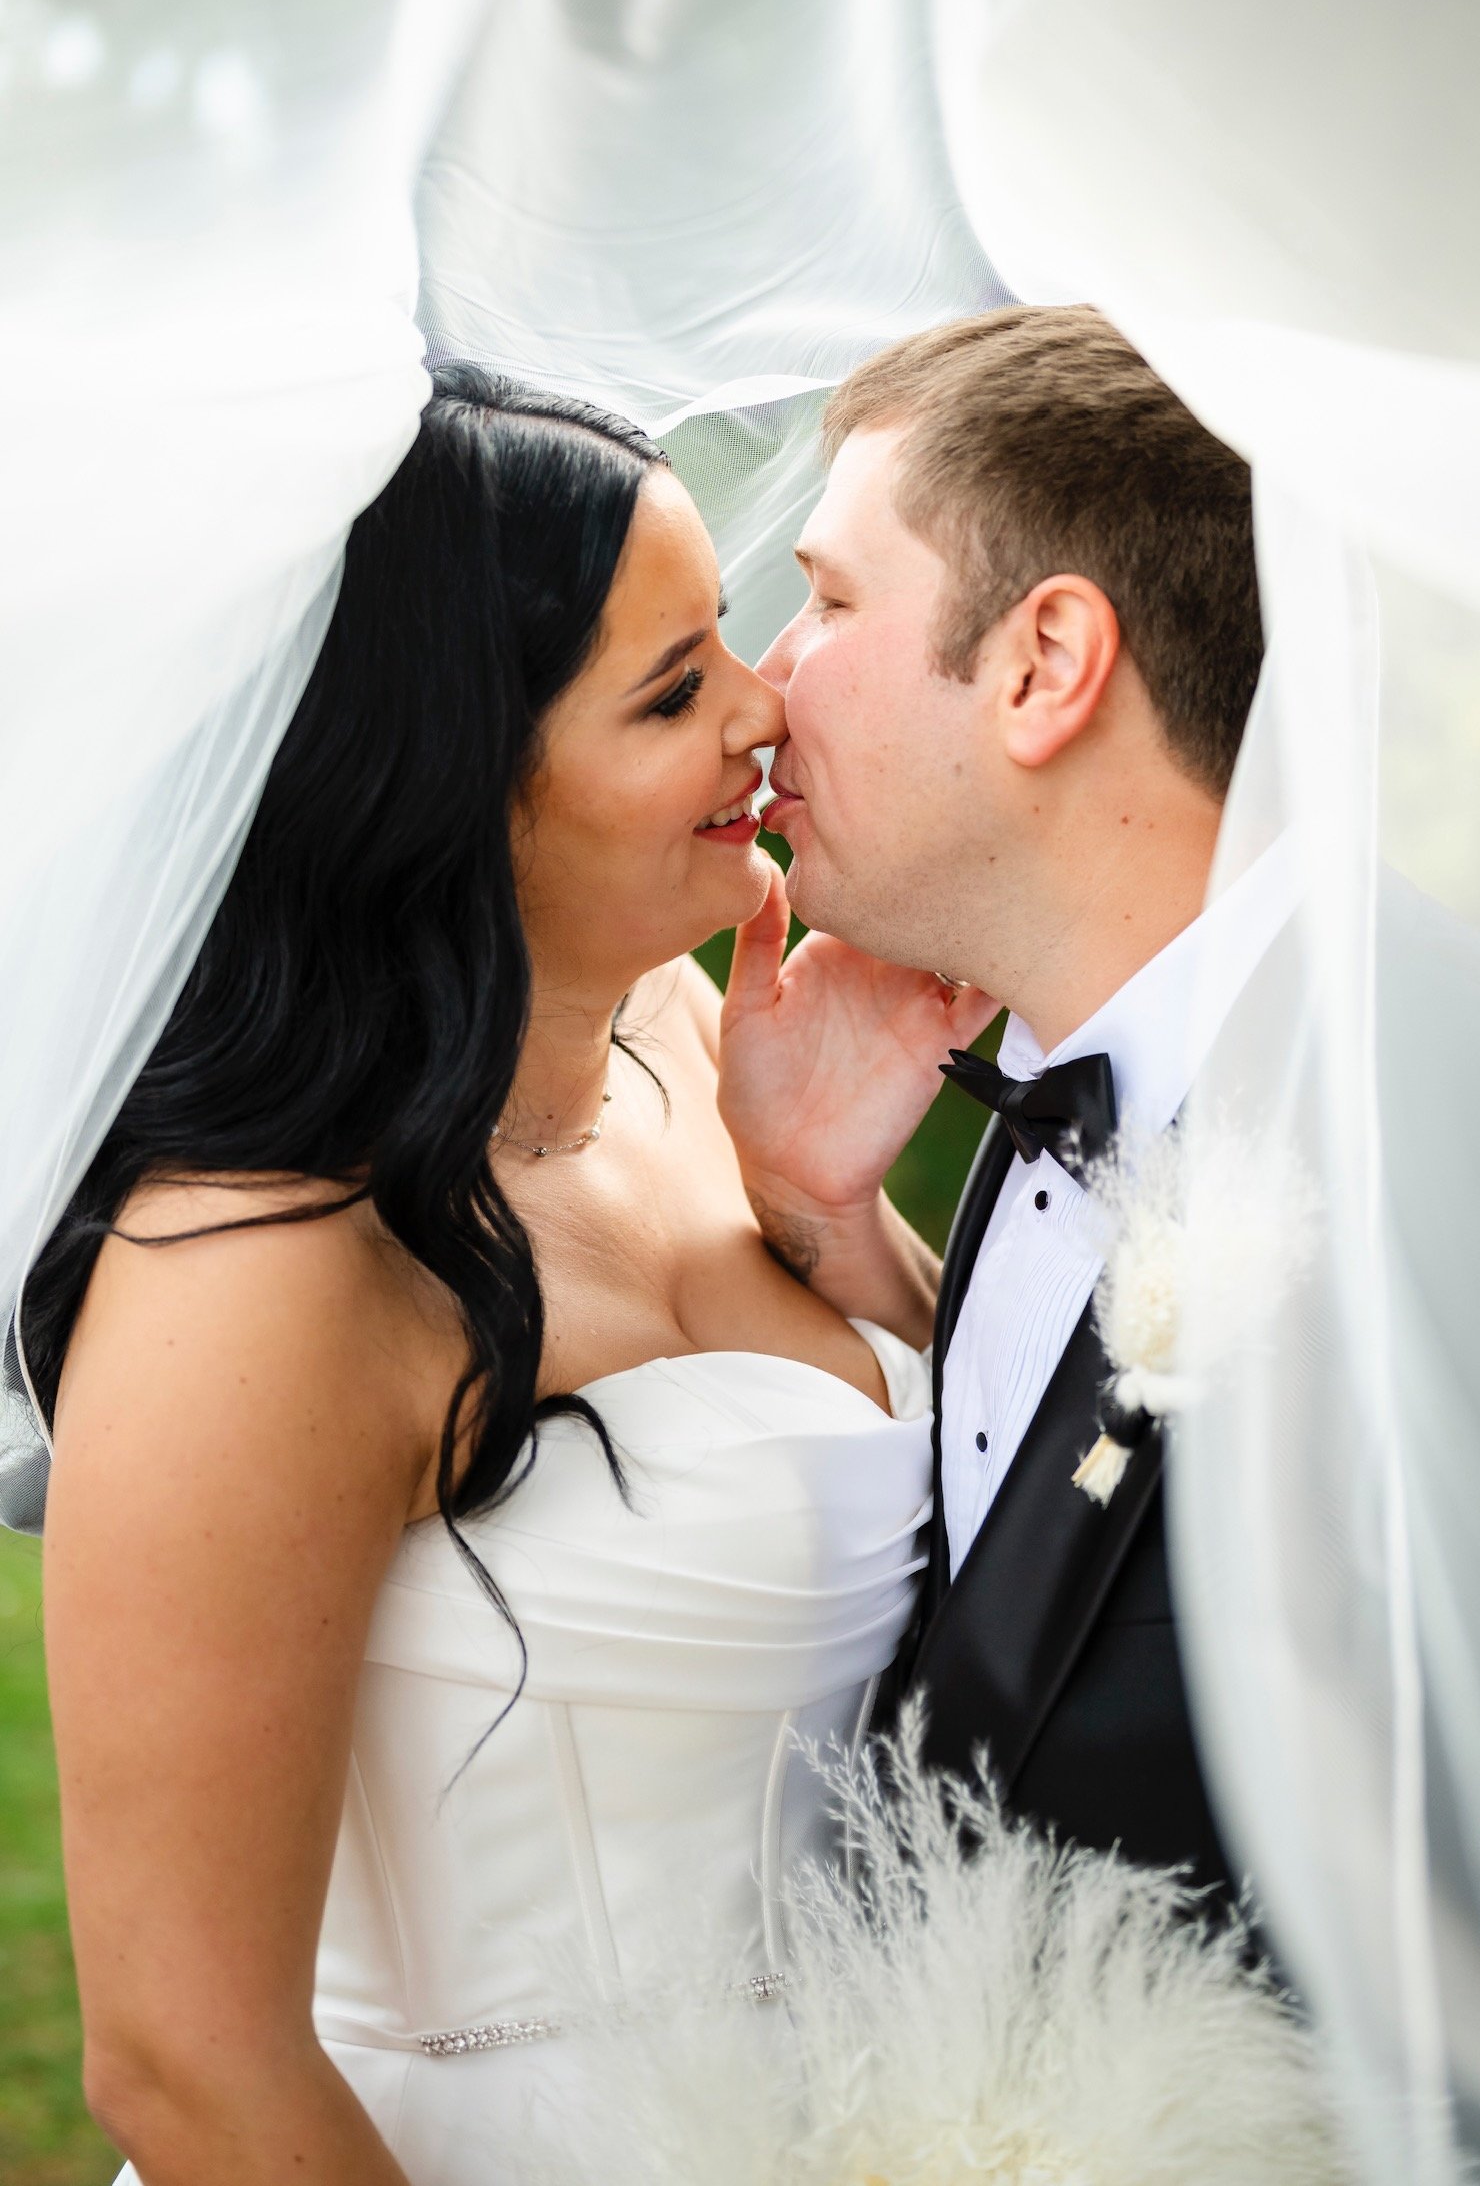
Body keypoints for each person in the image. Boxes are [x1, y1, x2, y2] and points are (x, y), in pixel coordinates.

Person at [27, 368, 993, 2186]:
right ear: (445, 787)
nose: (766, 706)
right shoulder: (258, 1277)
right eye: (673, 689)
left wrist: (826, 1211)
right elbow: (184, 2062)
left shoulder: (683, 1032)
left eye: (730, 642)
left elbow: (979, 1517)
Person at [721, 303, 1296, 1900]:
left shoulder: (1423, 1152)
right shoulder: (1056, 1056)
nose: (764, 691)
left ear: (1042, 665)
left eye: (826, 599)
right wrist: (832, 1222)